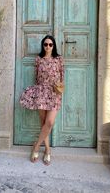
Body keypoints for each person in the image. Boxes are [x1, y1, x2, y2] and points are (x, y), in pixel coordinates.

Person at [20, 35, 64, 165]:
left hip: (54, 93)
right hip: (41, 92)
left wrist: (59, 90)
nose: (48, 47)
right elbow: (36, 77)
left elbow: (62, 76)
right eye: (46, 44)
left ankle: (37, 146)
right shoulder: (38, 59)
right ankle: (48, 150)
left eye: (51, 44)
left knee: (49, 122)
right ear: (43, 46)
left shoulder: (59, 59)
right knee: (43, 121)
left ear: (54, 46)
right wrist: (36, 92)